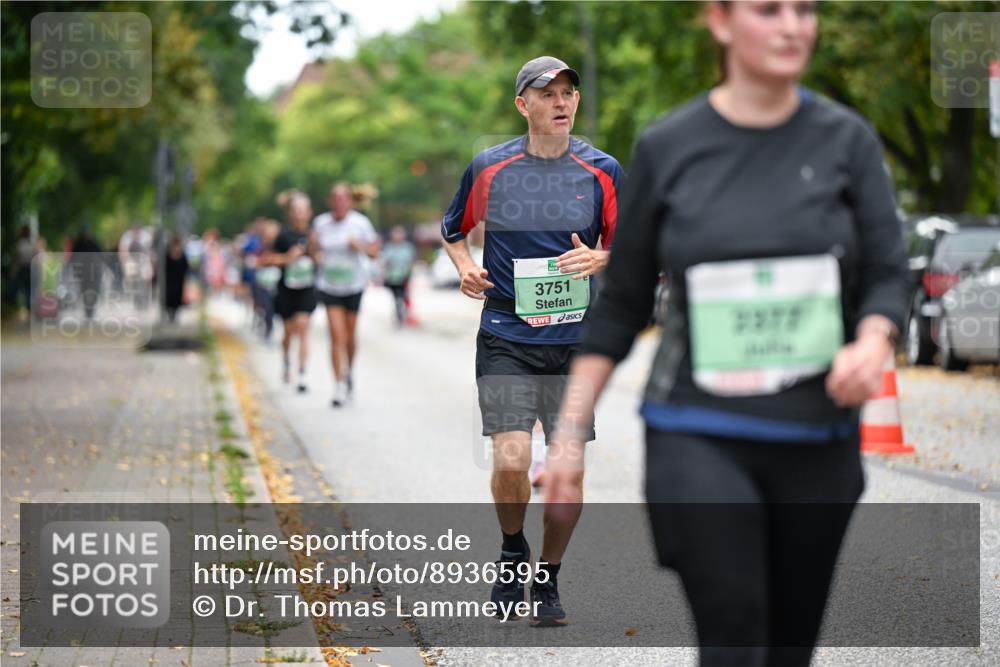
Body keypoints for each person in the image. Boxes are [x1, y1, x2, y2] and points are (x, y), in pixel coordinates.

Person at [546, 2, 909, 664]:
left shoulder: (846, 141)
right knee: (735, 633)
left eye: (805, 9)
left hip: (816, 439)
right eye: (769, 9)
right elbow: (622, 305)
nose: (793, 25)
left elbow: (888, 274)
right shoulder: (670, 146)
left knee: (788, 647)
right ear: (720, 21)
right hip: (697, 431)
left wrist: (873, 340)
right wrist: (569, 439)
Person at [440, 56, 623, 627]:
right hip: (506, 336)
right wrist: (465, 266)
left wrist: (602, 257)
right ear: (523, 104)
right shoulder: (490, 168)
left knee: (566, 474)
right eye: (548, 94)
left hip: (576, 345)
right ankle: (513, 547)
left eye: (569, 92)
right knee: (513, 456)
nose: (562, 102)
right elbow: (452, 231)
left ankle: (547, 578)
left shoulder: (603, 171)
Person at [313, 182, 380, 407]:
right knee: (336, 335)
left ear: (350, 201)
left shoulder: (360, 223)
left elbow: (373, 252)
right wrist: (315, 255)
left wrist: (359, 245)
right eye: (335, 198)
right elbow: (313, 250)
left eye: (344, 198)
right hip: (329, 284)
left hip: (353, 285)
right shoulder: (321, 223)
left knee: (350, 337)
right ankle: (338, 384)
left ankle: (349, 370)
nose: (339, 202)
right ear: (330, 201)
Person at [262, 191, 318, 393]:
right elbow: (267, 259)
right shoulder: (283, 235)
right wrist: (287, 258)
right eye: (295, 210)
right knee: (288, 332)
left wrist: (315, 255)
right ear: (290, 213)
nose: (299, 214)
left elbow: (321, 259)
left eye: (302, 210)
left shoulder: (314, 235)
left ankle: (302, 373)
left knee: (303, 327)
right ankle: (286, 360)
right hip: (286, 290)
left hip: (307, 290)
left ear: (309, 213)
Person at [381, 225, 417, 327]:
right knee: (396, 297)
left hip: (404, 277)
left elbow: (411, 262)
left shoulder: (408, 247)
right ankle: (399, 313)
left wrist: (410, 274)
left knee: (403, 296)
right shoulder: (388, 247)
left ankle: (402, 313)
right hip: (392, 278)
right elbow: (384, 262)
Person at [164, 232, 190, 323]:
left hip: (178, 280)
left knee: (177, 298)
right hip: (169, 280)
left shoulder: (182, 253)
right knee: (168, 297)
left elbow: (186, 266)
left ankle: (174, 315)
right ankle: (170, 314)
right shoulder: (167, 252)